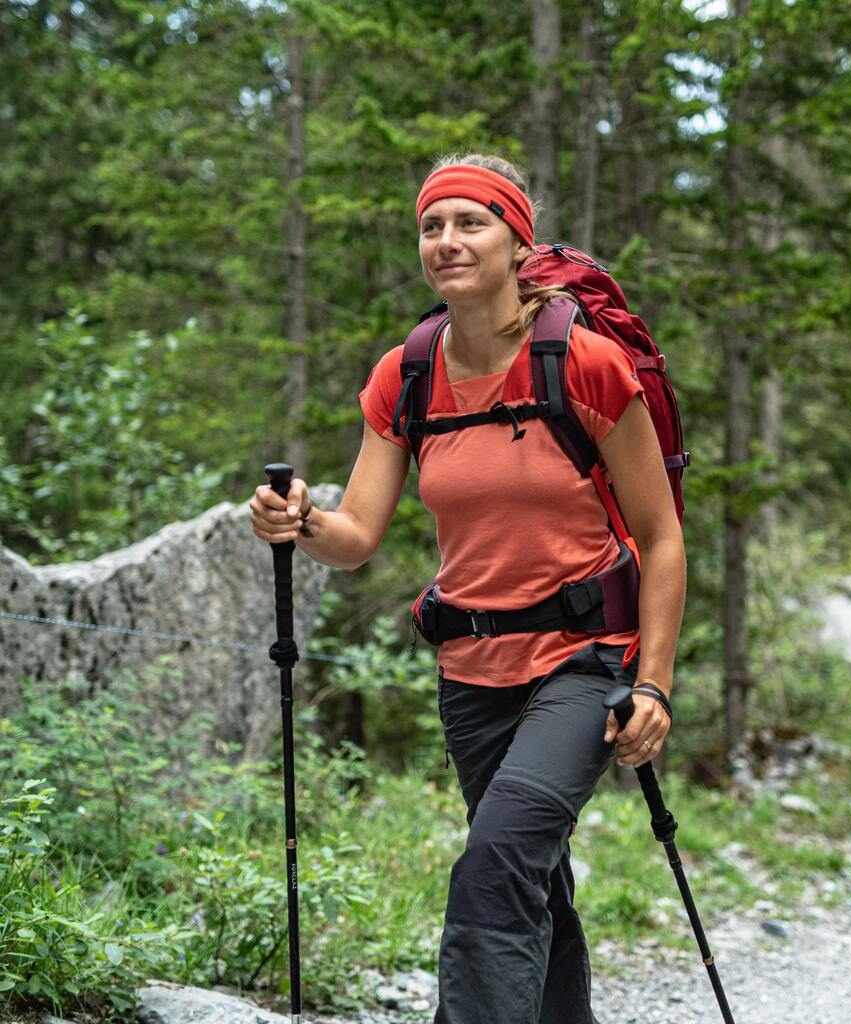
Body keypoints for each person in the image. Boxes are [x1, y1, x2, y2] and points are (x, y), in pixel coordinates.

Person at [250, 152, 686, 1024]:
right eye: (431, 226)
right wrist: (301, 520)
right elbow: (357, 537)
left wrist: (654, 685)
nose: (447, 241)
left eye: (470, 222)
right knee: (530, 877)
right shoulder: (407, 373)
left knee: (494, 864)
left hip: (584, 663)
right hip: (472, 676)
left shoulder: (587, 365)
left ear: (517, 241)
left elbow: (662, 536)